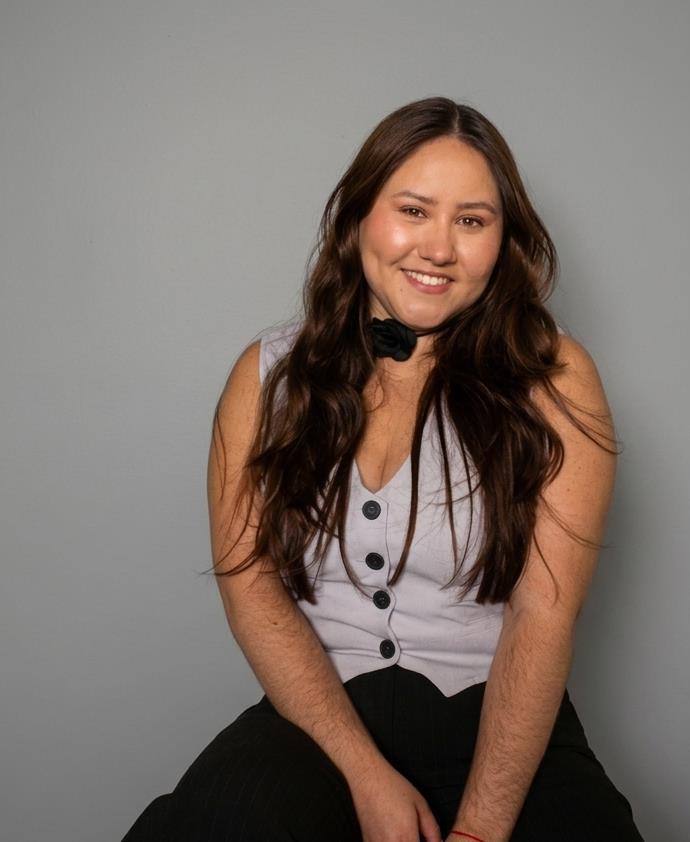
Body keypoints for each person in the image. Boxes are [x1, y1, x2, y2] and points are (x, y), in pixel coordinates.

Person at [122, 96, 644, 842]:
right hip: (319, 719)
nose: (439, 248)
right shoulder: (267, 376)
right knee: (227, 823)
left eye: (472, 221)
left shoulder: (555, 378)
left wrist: (478, 831)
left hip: (499, 722)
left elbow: (543, 613)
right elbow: (249, 584)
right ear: (359, 216)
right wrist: (364, 775)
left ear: (503, 241)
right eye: (413, 211)